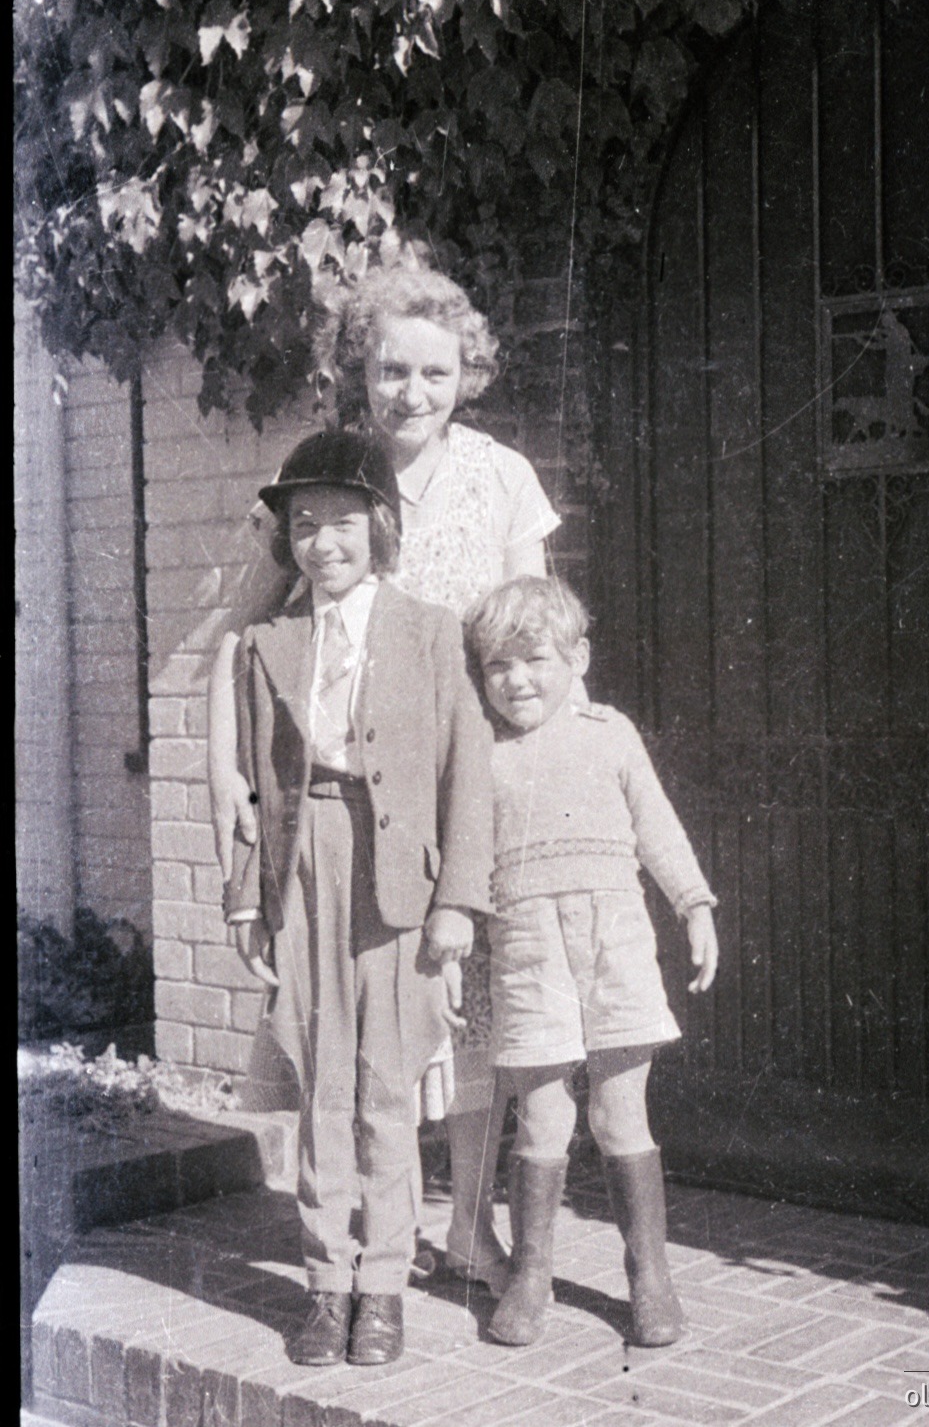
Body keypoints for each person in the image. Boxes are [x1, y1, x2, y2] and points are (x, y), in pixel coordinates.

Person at [208, 244, 561, 1293]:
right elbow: (240, 637)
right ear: (359, 371)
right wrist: (224, 769)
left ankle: (466, 1223)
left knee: (475, 1003)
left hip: (476, 769)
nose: (414, 392)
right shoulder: (326, 477)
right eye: (392, 370)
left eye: (436, 372)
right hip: (359, 793)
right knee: (371, 1016)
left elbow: (531, 627)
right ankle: (368, 1233)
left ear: (469, 375)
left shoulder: (502, 477)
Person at [223, 429, 494, 1366]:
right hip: (304, 868)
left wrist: (457, 901)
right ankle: (324, 1282)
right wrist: (247, 901)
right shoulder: (269, 641)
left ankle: (381, 1287)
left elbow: (468, 774)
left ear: (379, 527)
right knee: (318, 1085)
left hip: (400, 882)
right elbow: (253, 788)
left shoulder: (430, 629)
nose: (323, 541)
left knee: (387, 1084)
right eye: (303, 523)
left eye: (342, 521)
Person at [463, 576, 721, 1349]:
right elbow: (465, 859)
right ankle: (531, 1273)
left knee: (618, 1111)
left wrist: (694, 904)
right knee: (541, 1114)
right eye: (497, 666)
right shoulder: (482, 752)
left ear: (577, 656)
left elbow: (657, 826)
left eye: (533, 658)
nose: (516, 679)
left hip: (615, 941)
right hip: (526, 948)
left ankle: (649, 1275)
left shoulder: (611, 733)